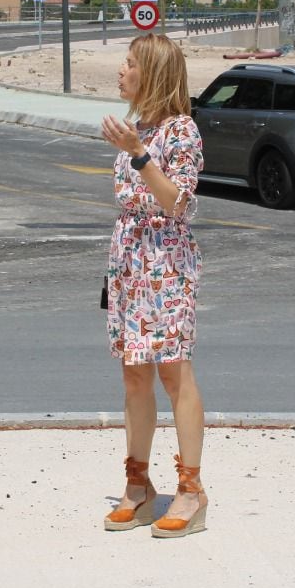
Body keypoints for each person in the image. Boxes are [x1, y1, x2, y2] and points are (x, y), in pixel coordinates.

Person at [98, 33, 208, 538]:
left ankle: (190, 490)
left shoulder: (180, 131)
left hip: (166, 259)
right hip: (130, 259)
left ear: (152, 74)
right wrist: (133, 144)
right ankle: (138, 484)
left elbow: (176, 203)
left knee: (173, 372)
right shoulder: (136, 128)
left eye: (128, 65)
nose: (120, 72)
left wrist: (140, 153)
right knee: (134, 376)